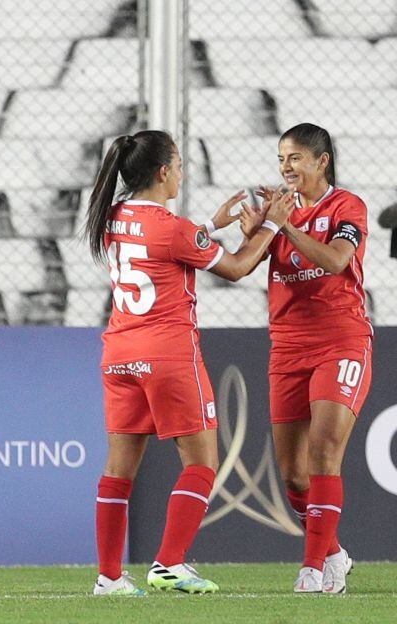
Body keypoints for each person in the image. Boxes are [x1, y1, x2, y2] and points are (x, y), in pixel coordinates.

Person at [84, 130, 294, 596]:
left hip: (119, 353)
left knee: (118, 469)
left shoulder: (112, 217)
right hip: (167, 354)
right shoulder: (173, 229)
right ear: (163, 172)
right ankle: (170, 563)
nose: (181, 172)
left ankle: (109, 576)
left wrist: (208, 227)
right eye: (178, 165)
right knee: (201, 462)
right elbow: (237, 267)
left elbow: (163, 243)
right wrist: (273, 225)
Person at [255, 124, 372, 594]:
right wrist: (253, 228)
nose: (286, 168)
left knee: (324, 450)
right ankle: (334, 553)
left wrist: (283, 225)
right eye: (282, 158)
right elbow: (241, 264)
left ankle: (314, 570)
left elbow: (337, 261)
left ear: (322, 161)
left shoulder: (347, 206)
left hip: (340, 340)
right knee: (293, 474)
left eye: (296, 158)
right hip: (287, 345)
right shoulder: (277, 211)